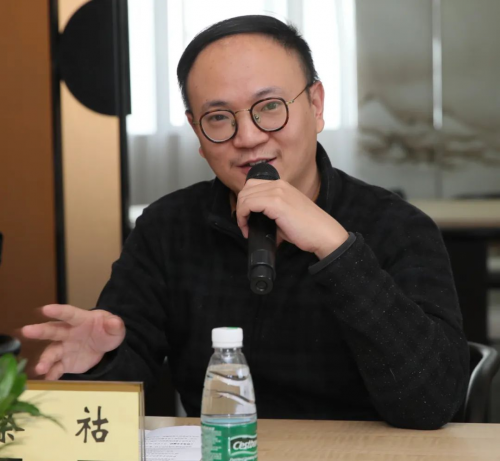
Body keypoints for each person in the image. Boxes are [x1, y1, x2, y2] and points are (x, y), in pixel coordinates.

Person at [22, 15, 469, 429]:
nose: (249, 137)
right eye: (218, 118)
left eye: (270, 106)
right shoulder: (166, 228)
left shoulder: (398, 226)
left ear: (316, 105)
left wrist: (337, 249)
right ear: (197, 133)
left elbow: (433, 405)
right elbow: (118, 388)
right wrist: (100, 364)